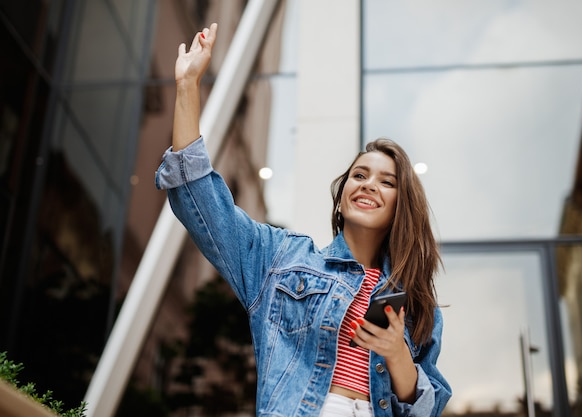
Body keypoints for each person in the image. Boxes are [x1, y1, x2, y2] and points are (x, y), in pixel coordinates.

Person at [156, 23, 451, 417]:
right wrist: (188, 85)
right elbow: (202, 200)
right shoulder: (282, 259)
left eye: (386, 182)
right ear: (343, 194)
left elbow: (427, 409)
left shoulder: (417, 306)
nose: (367, 185)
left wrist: (398, 355)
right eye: (359, 175)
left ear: (402, 206)